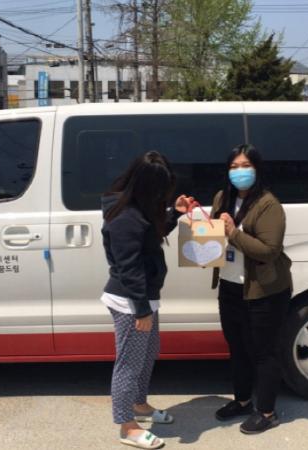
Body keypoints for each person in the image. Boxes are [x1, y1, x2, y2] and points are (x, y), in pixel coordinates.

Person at [101, 151, 193, 449]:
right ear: (145, 186)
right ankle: (126, 425)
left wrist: (175, 214)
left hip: (144, 299)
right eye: (160, 190)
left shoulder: (139, 208)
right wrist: (141, 310)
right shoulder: (125, 217)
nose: (163, 196)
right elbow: (129, 268)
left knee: (148, 353)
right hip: (130, 301)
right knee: (129, 363)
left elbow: (152, 236)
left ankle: (139, 404)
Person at [211, 144, 293, 435]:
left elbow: (269, 251)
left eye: (245, 166)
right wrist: (194, 218)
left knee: (263, 352)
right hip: (230, 286)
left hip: (264, 290)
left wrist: (233, 233)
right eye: (234, 166)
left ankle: (267, 412)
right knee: (237, 348)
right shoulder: (222, 197)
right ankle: (243, 400)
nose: (239, 172)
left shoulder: (269, 204)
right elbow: (212, 235)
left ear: (257, 169)